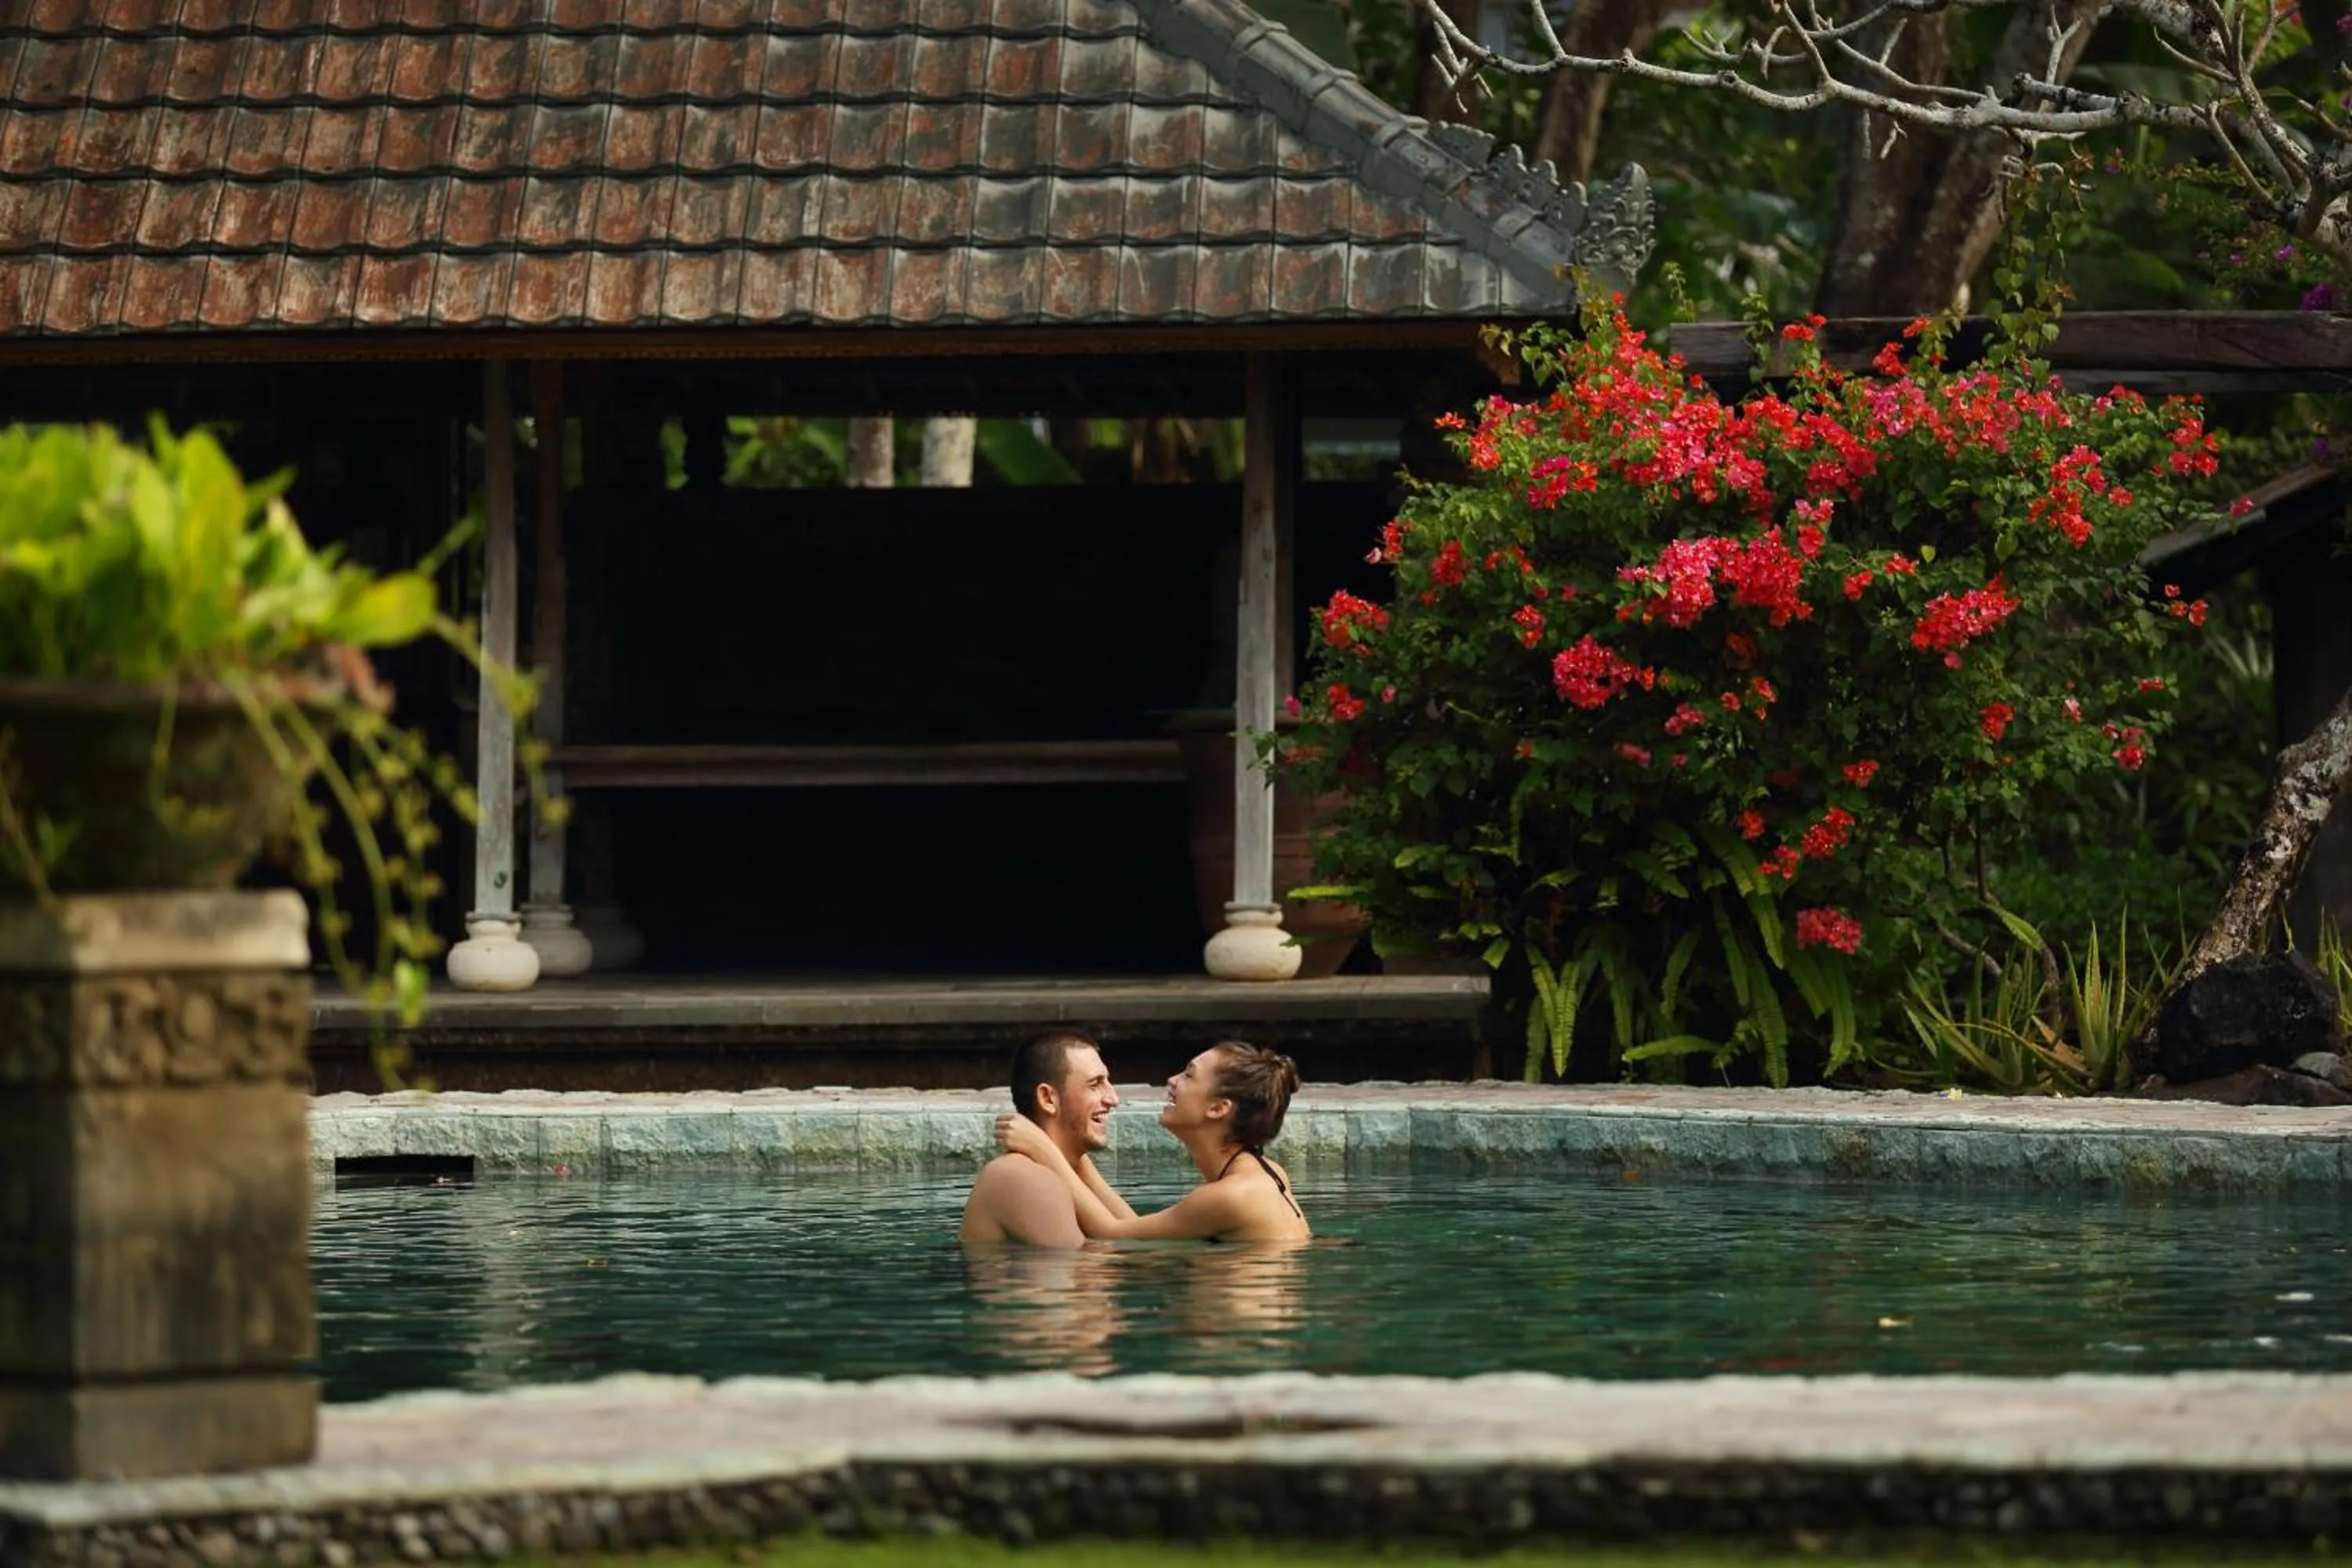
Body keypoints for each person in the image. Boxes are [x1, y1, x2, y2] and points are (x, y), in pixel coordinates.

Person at [996, 1040, 1309, 1243]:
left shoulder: (1232, 1196)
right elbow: (1139, 1231)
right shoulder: (1264, 1173)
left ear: (1218, 1108)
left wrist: (1044, 1150)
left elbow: (1112, 1234)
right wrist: (1074, 1153)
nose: (1172, 1080)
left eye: (1188, 1076)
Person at [960, 1030, 1136, 1248]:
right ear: (1047, 1098)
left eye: (1107, 1082)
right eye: (1094, 1085)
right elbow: (1098, 1269)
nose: (1113, 1099)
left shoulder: (1070, 1172)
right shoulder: (1023, 1177)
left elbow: (1132, 1235)